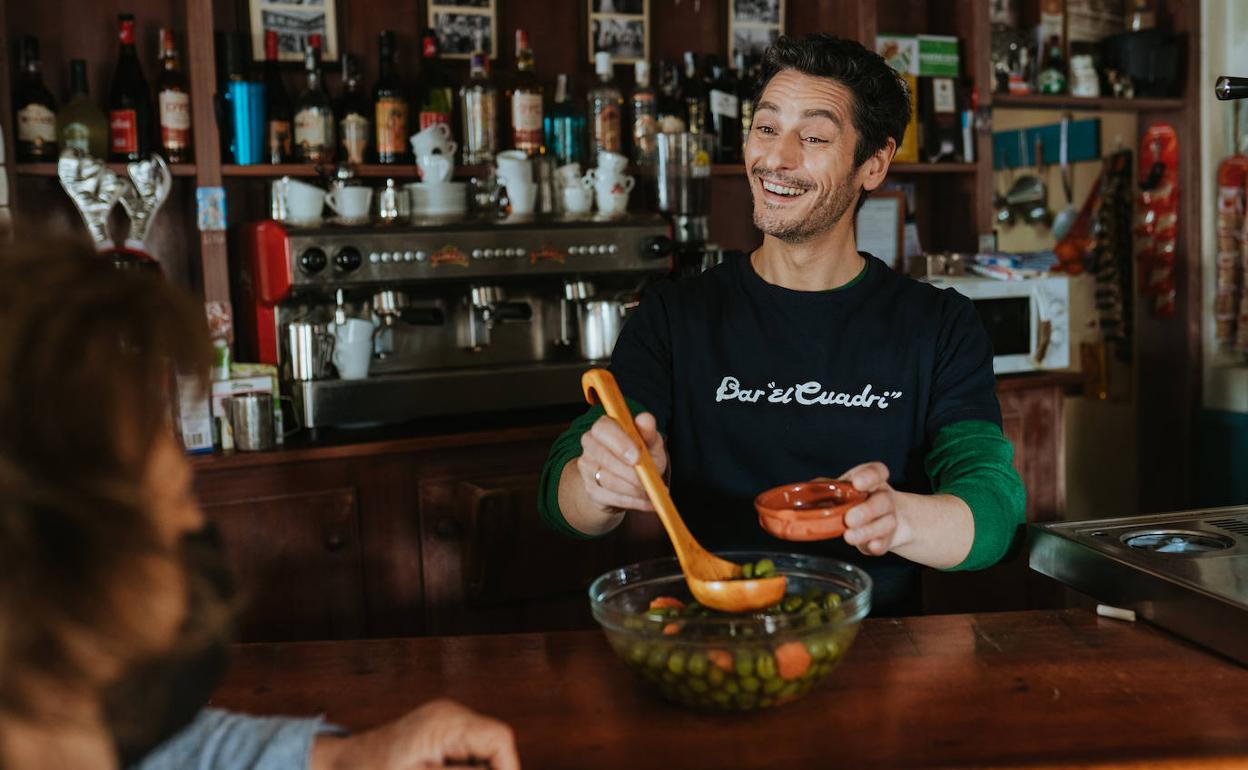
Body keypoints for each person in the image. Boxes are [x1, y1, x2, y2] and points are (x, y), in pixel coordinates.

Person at [538, 34, 1026, 615]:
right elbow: (559, 500)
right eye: (766, 128)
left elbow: (992, 508)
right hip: (710, 630)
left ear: (873, 164)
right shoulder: (675, 316)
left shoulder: (938, 324)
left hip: (879, 645)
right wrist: (601, 484)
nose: (776, 158)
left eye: (813, 137)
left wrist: (899, 519)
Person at [0, 238, 520, 770]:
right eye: (175, 501)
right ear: (43, 570)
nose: (196, 528)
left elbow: (166, 749)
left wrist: (345, 758)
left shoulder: (68, 722)